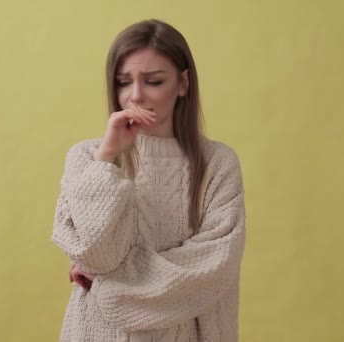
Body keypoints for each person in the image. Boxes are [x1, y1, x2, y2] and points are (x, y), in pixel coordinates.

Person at [51, 19, 246, 341]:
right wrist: (107, 158)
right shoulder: (87, 158)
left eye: (154, 81)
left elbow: (212, 268)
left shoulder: (217, 164)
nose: (136, 96)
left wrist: (109, 281)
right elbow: (94, 253)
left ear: (183, 84)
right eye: (124, 82)